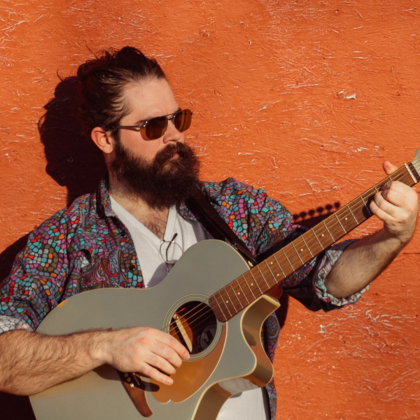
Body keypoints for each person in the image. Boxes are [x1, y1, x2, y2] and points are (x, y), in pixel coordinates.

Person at [0, 46, 417, 420]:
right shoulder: (66, 241)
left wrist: (391, 238)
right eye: (153, 127)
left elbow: (326, 279)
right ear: (106, 139)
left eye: (178, 119)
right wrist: (105, 347)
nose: (174, 136)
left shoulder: (236, 210)